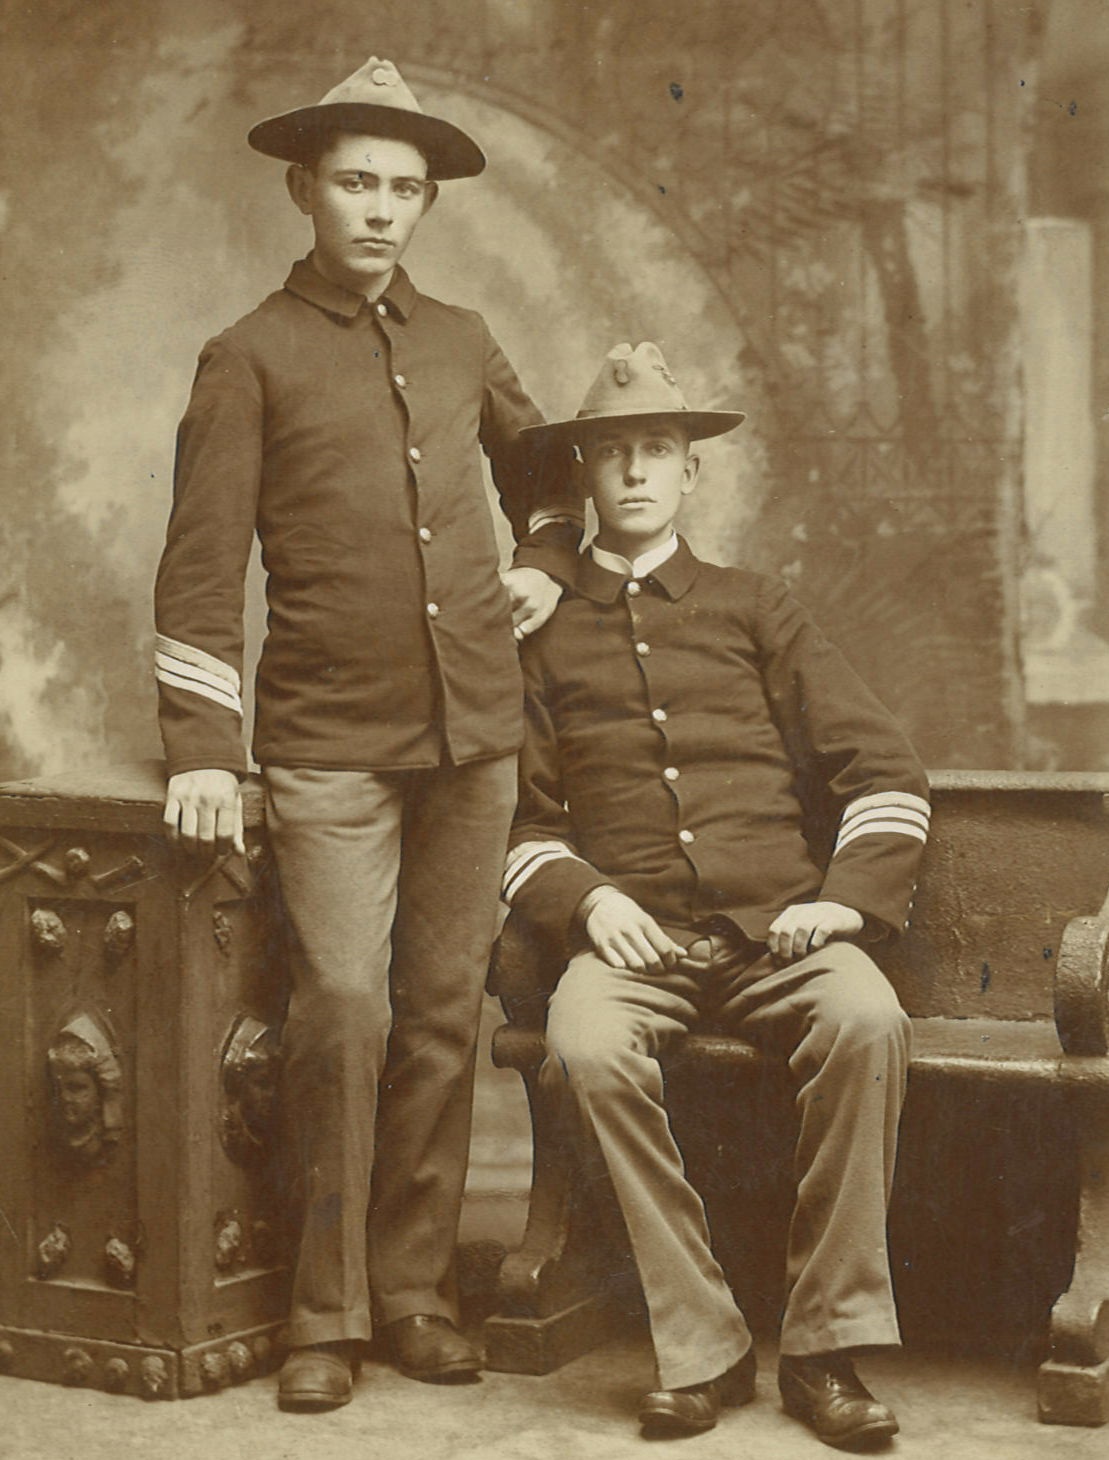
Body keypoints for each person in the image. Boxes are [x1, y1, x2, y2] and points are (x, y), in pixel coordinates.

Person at [153, 55, 581, 1411]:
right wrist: (204, 750)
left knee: (445, 1014)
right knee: (344, 1008)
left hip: (473, 738)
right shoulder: (249, 355)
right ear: (303, 189)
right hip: (328, 738)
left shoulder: (460, 338)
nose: (383, 209)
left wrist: (550, 559)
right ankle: (322, 1314)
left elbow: (548, 474)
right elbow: (199, 569)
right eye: (356, 182)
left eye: (405, 188)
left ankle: (412, 1293)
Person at [501, 342, 930, 1449]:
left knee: (866, 1016)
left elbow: (881, 772)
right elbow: (522, 823)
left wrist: (839, 904)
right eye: (613, 454)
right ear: (583, 478)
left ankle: (824, 1346)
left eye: (658, 451)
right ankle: (701, 1343)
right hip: (631, 943)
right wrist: (589, 903)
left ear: (692, 473)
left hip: (778, 930)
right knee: (583, 1042)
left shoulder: (756, 607)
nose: (636, 472)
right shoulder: (538, 637)